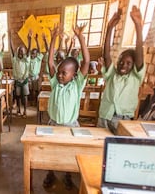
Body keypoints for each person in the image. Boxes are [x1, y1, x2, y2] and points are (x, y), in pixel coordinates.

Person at [44, 22, 90, 190]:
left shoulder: (77, 85)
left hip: (71, 126)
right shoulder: (56, 83)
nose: (60, 74)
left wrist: (80, 38)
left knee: (70, 152)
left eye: (64, 72)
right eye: (59, 71)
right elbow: (50, 62)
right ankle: (50, 173)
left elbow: (86, 61)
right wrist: (53, 38)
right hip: (53, 124)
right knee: (51, 151)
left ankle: (68, 176)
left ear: (74, 75)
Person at [97, 6, 146, 134]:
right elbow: (106, 55)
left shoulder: (136, 77)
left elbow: (140, 54)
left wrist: (138, 27)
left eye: (129, 63)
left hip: (124, 120)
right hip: (105, 117)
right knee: (99, 148)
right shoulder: (111, 74)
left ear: (134, 65)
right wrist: (109, 28)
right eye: (121, 62)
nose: (123, 65)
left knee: (118, 149)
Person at [10, 30, 31, 117]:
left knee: (25, 96)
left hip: (25, 80)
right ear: (17, 53)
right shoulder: (15, 60)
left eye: (22, 51)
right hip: (17, 80)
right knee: (18, 96)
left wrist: (29, 40)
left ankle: (25, 111)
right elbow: (11, 48)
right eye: (19, 51)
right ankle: (19, 109)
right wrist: (10, 37)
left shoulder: (26, 60)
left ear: (25, 53)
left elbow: (29, 50)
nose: (21, 53)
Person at [28, 33, 44, 105]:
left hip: (36, 77)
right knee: (31, 90)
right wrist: (30, 39)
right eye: (32, 53)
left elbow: (40, 51)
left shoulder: (38, 59)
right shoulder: (29, 59)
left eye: (34, 53)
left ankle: (35, 101)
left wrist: (36, 40)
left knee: (36, 89)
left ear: (37, 54)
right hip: (29, 77)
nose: (33, 55)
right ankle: (31, 101)